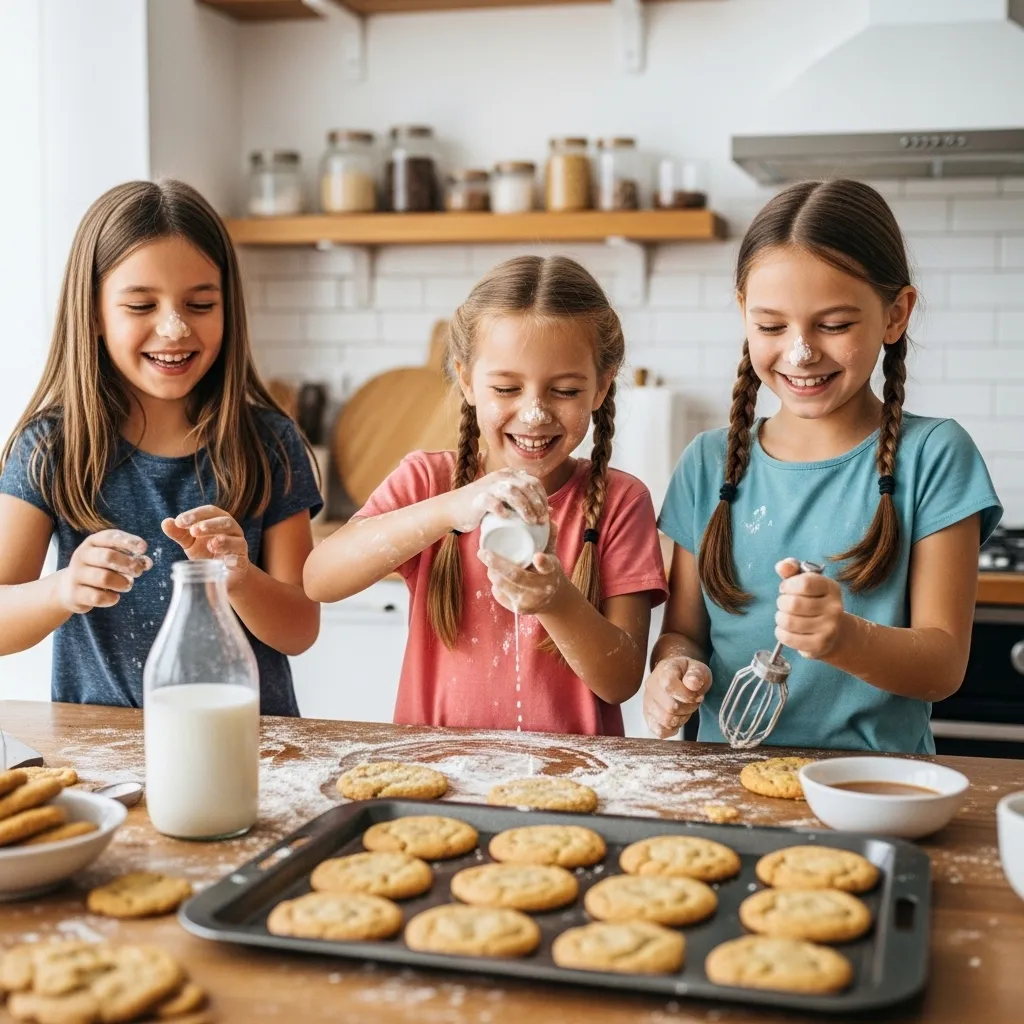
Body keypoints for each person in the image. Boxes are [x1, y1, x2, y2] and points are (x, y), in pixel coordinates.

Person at [645, 179, 1001, 753]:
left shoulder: (935, 455)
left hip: (875, 789)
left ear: (895, 314)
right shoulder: (707, 464)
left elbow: (942, 665)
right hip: (720, 787)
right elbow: (684, 634)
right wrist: (672, 674)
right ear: (743, 312)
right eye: (771, 326)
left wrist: (844, 639)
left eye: (834, 325)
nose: (801, 351)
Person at [305, 255, 668, 734]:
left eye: (563, 391)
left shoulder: (620, 501)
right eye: (506, 387)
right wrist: (450, 509)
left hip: (570, 779)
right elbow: (319, 580)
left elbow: (620, 681)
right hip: (437, 771)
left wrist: (556, 601)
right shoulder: (428, 483)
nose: (534, 413)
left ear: (602, 385)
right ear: (466, 379)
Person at [0, 180, 321, 714]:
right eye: (141, 305)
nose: (173, 329)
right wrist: (62, 589)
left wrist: (240, 578)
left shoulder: (269, 442)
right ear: (95, 315)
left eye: (199, 304)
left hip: (249, 749)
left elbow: (300, 628)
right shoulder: (50, 447)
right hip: (103, 757)